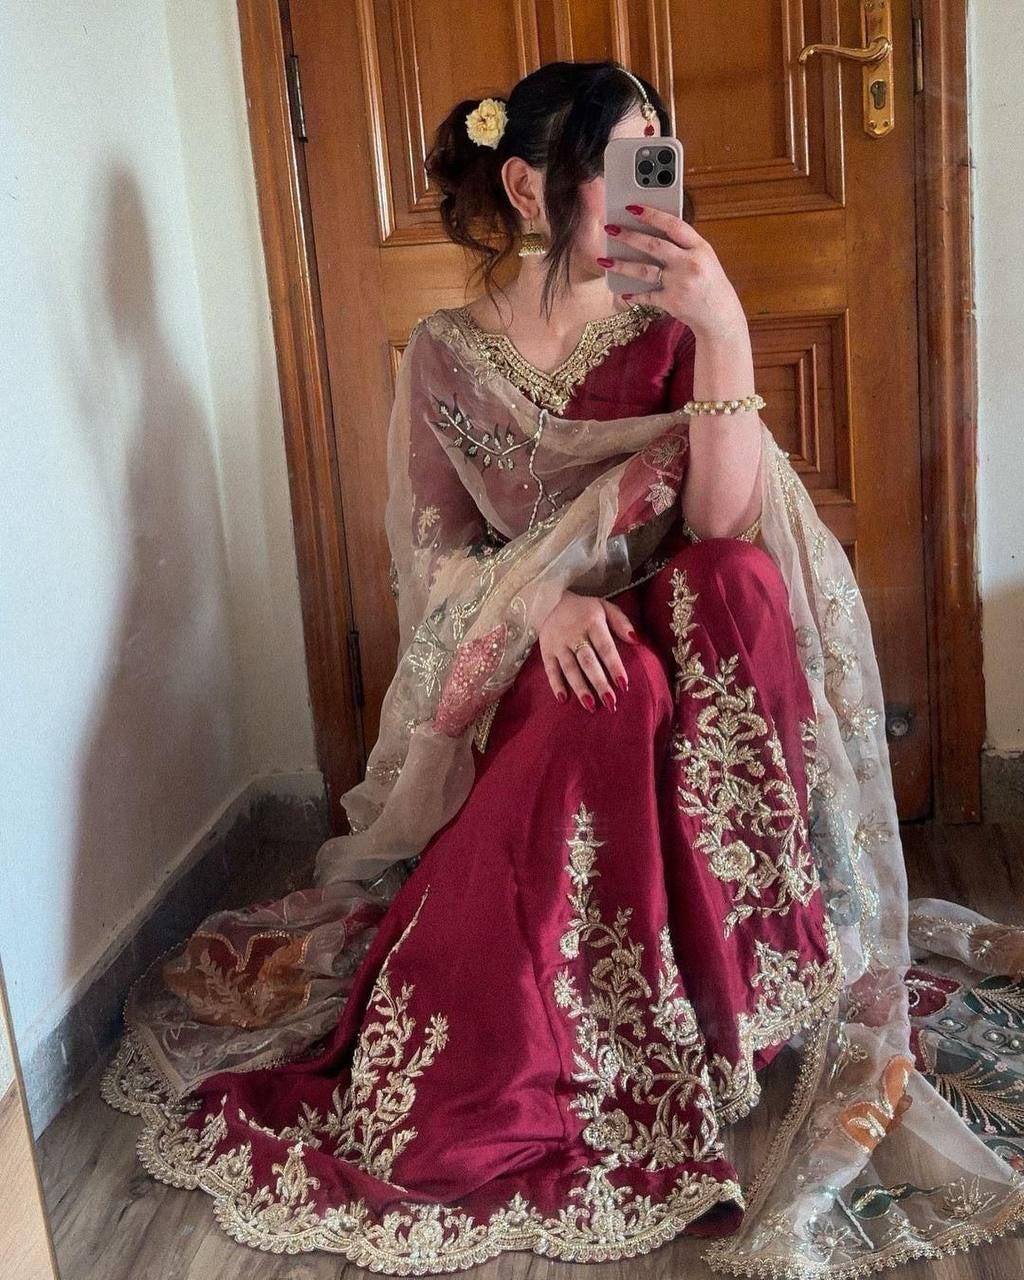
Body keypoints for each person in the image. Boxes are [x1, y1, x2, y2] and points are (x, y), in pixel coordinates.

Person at [101, 61, 1024, 1276]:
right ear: (532, 187)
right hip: (538, 645)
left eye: (660, 156)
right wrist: (538, 599)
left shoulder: (671, 325)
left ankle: (740, 998)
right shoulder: (446, 354)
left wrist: (723, 329)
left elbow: (723, 525)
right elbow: (434, 557)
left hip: (685, 619)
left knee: (735, 584)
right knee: (610, 685)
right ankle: (587, 1048)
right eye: (620, 161)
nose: (650, 188)